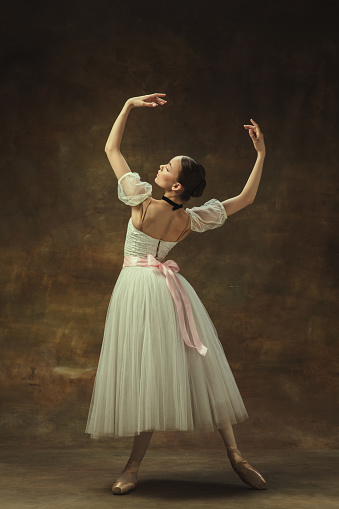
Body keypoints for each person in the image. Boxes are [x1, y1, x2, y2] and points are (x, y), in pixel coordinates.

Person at [85, 93, 267, 495]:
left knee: (150, 375)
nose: (162, 165)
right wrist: (260, 154)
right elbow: (246, 199)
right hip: (171, 292)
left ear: (177, 184)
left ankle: (132, 468)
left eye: (168, 166)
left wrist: (129, 106)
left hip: (138, 292)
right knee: (197, 365)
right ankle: (235, 453)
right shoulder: (190, 220)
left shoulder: (141, 203)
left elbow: (111, 147)